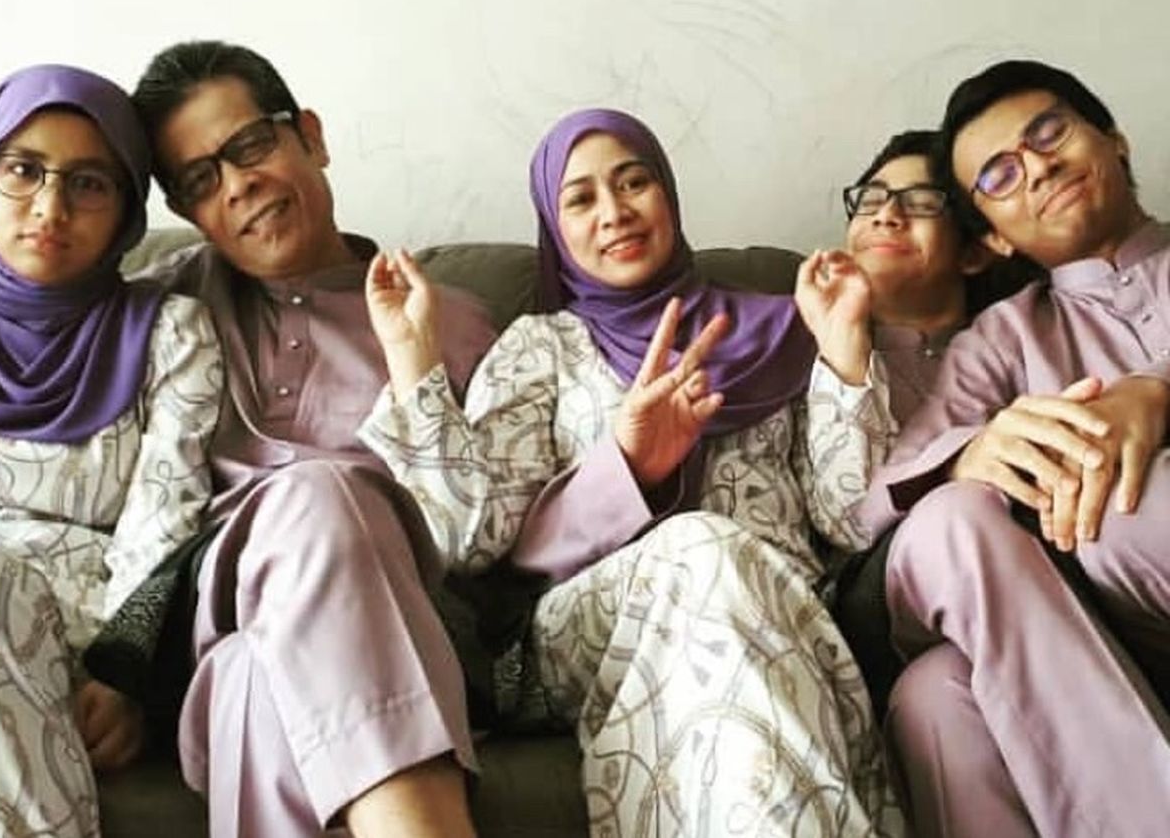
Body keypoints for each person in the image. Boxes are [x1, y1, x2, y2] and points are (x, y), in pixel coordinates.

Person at [360, 107, 904, 837]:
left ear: (668, 195)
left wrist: (844, 349)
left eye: (633, 182)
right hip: (586, 631)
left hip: (783, 613)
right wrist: (626, 467)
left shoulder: (787, 323)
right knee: (703, 544)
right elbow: (471, 538)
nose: (614, 212)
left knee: (722, 572)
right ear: (556, 229)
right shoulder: (543, 346)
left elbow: (850, 519)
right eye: (580, 199)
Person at [127, 40, 497, 838]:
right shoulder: (157, 313)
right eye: (200, 181)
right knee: (311, 502)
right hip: (211, 610)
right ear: (188, 214)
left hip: (403, 628)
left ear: (311, 137)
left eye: (249, 145)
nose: (237, 185)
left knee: (255, 673)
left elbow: (478, 538)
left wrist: (417, 367)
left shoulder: (455, 321)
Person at [862, 59, 1170, 837]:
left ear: (1115, 140)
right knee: (935, 690)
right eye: (1000, 174)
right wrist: (971, 455)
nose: (1037, 167)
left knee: (1116, 509)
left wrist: (1157, 392)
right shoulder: (1004, 337)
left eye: (1048, 133)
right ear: (995, 236)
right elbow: (880, 501)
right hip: (1084, 629)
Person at [0, 64, 221, 837]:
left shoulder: (171, 332)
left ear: (126, 208)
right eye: (23, 170)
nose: (49, 207)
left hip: (87, 635)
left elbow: (167, 517)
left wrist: (125, 674)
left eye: (88, 183)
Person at [794, 129, 1000, 715]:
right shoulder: (793, 348)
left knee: (943, 691)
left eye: (922, 202)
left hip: (996, 602)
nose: (886, 214)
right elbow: (849, 523)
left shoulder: (1014, 346)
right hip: (873, 614)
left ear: (974, 251)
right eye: (872, 198)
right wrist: (845, 349)